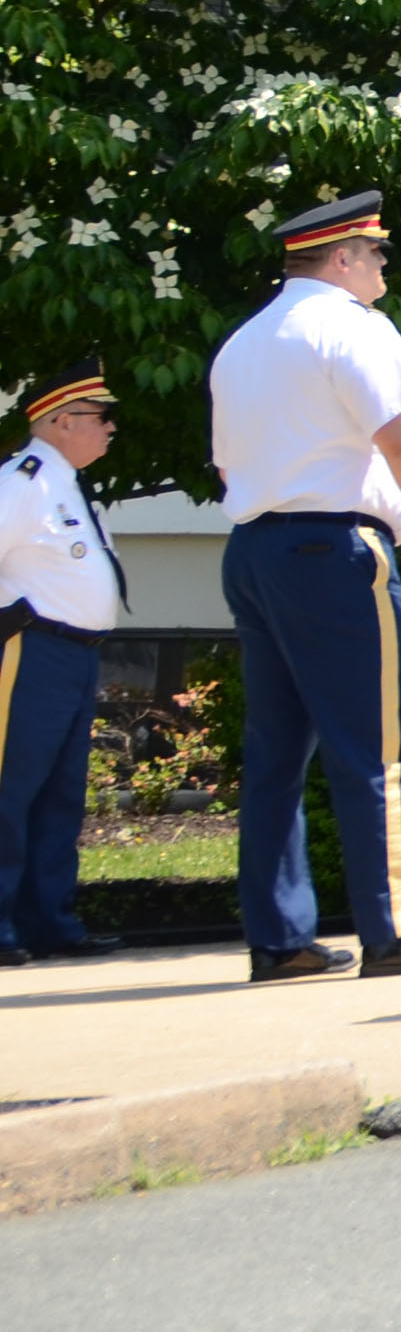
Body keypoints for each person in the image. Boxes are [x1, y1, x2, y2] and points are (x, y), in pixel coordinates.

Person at [214, 193, 401, 982]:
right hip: (333, 549)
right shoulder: (351, 326)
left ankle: (280, 939)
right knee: (374, 749)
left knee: (274, 755)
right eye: (373, 256)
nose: (381, 268)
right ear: (341, 259)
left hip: (256, 549)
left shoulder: (243, 341)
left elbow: (229, 464)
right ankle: (395, 928)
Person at [1, 366, 129, 964]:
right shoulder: (24, 481)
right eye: (101, 419)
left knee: (59, 796)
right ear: (60, 422)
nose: (110, 430)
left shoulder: (68, 484)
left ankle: (48, 921)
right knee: (11, 788)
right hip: (31, 652)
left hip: (75, 658)